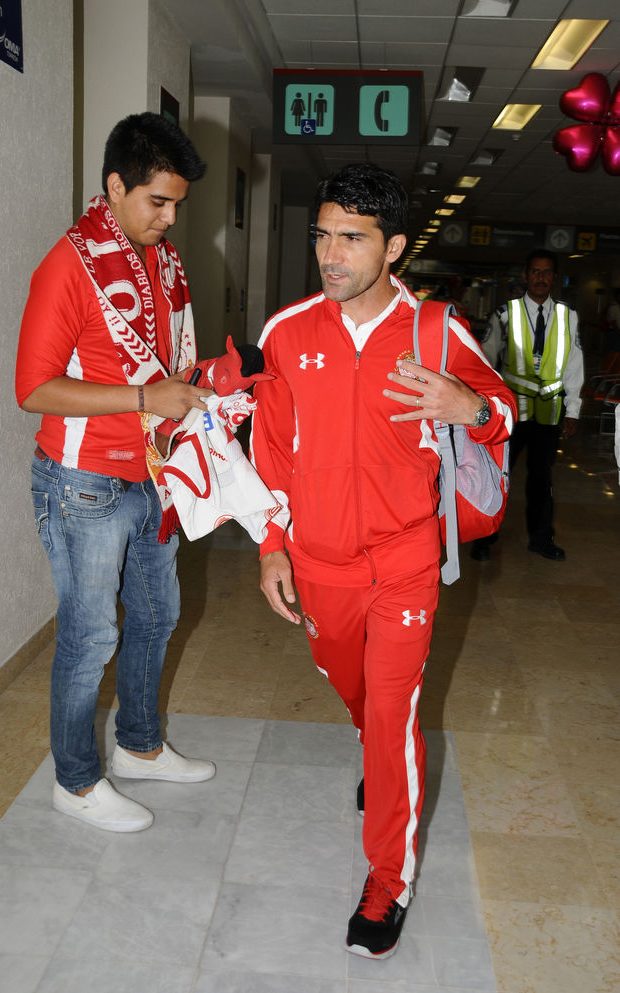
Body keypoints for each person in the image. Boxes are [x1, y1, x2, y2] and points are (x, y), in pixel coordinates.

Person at [250, 163, 516, 960]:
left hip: (405, 560)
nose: (330, 255)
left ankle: (387, 880)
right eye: (323, 235)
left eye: (352, 238)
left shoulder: (435, 331)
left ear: (394, 247)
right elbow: (272, 453)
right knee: (355, 690)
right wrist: (271, 545)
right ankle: (378, 753)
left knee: (395, 715)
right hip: (319, 562)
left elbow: (504, 410)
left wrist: (471, 406)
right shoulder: (288, 333)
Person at [15, 112, 216, 833]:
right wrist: (143, 398)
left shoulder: (162, 264)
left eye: (177, 205)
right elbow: (33, 388)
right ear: (114, 186)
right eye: (157, 201)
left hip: (152, 472)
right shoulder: (68, 265)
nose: (169, 218)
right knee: (90, 635)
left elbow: (166, 366)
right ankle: (74, 782)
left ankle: (139, 746)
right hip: (83, 481)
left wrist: (200, 390)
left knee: (158, 615)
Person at [473, 248, 584, 562]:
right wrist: (483, 406)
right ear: (525, 276)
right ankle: (484, 537)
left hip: (549, 411)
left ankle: (541, 539)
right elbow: (486, 360)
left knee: (542, 478)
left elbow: (574, 364)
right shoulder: (504, 314)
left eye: (547, 272)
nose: (541, 278)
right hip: (510, 411)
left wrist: (573, 409)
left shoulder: (568, 315)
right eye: (535, 271)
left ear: (554, 278)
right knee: (496, 474)